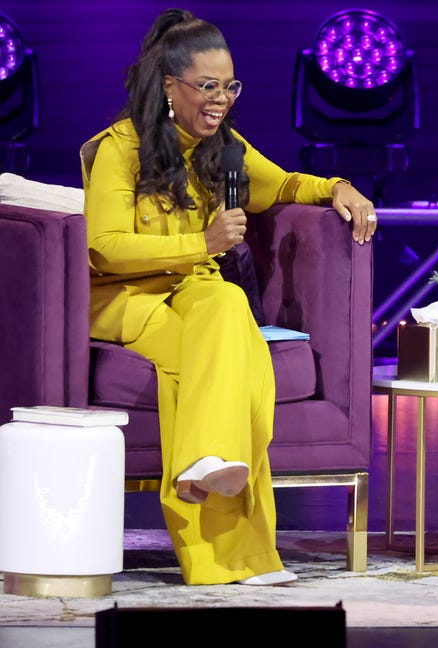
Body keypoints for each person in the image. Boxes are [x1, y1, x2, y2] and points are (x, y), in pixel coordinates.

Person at [80, 9, 377, 586]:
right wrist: (203, 241)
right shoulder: (121, 149)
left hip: (193, 290)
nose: (220, 99)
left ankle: (204, 464)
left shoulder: (225, 147)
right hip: (127, 300)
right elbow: (102, 248)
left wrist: (339, 187)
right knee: (235, 362)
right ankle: (239, 556)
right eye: (207, 86)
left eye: (230, 86)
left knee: (227, 307)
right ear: (170, 86)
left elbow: (285, 183)